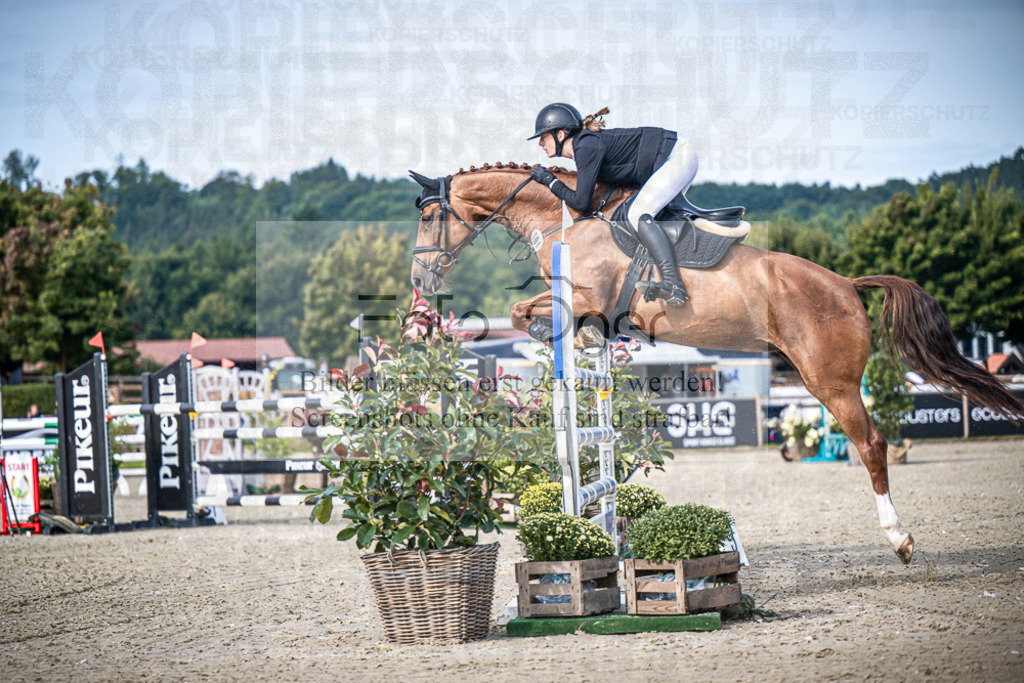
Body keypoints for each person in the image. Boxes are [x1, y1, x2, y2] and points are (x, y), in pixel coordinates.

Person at [527, 103, 696, 306]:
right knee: (647, 218)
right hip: (670, 157)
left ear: (560, 135)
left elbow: (581, 202)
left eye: (543, 137)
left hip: (675, 157)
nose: (540, 144)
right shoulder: (585, 146)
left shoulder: (585, 146)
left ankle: (673, 284)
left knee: (638, 215)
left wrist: (550, 181)